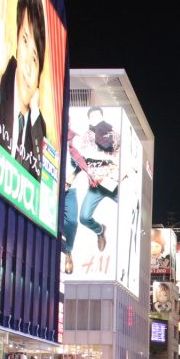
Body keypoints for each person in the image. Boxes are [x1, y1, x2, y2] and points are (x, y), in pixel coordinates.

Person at [0, 0, 49, 180]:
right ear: (16, 43)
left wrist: (35, 109)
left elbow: (43, 180)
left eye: (35, 58)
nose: (27, 63)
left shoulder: (38, 123)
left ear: (40, 75)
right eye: (25, 41)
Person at [61, 106, 122, 274]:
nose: (96, 118)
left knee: (127, 207)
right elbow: (87, 155)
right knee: (83, 217)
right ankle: (99, 231)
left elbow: (118, 150)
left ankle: (68, 249)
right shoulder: (85, 137)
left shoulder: (111, 132)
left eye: (98, 115)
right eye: (93, 116)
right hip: (95, 184)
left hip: (111, 181)